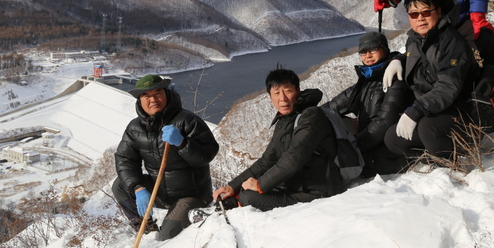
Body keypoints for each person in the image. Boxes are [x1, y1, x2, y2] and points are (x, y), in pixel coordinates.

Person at [211, 67, 344, 211]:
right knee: (241, 191)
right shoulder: (284, 121)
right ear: (270, 97)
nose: (283, 99)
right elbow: (266, 161)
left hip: (318, 190)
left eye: (288, 91)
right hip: (295, 185)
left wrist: (260, 185)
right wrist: (232, 186)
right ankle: (230, 203)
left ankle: (235, 207)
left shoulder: (311, 116)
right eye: (276, 93)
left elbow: (293, 159)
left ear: (298, 91)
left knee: (248, 197)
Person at [112, 74, 219, 241]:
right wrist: (139, 189)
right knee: (120, 185)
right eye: (146, 96)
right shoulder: (135, 128)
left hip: (191, 195)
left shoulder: (187, 120)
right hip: (160, 192)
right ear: (139, 100)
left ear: (166, 94)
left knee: (167, 237)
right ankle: (146, 227)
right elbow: (125, 160)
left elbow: (206, 155)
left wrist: (182, 143)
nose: (153, 99)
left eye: (158, 93)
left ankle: (173, 225)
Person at [383, 0, 483, 161]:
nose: (420, 18)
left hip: (463, 111)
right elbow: (417, 56)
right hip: (434, 109)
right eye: (414, 14)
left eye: (426, 12)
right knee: (393, 139)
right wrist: (397, 59)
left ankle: (453, 164)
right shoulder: (414, 40)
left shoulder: (452, 42)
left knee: (427, 128)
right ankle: (432, 158)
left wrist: (416, 109)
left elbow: (448, 87)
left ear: (439, 11)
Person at [323, 31, 413, 177]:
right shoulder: (366, 80)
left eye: (373, 50)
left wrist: (356, 146)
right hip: (369, 144)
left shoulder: (396, 77)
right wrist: (308, 113)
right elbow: (335, 105)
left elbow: (385, 121)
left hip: (388, 150)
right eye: (363, 52)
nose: (368, 55)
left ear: (385, 49)